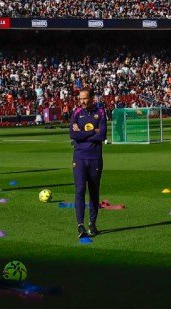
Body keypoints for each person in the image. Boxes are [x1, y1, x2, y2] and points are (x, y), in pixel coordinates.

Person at [69, 85, 106, 239]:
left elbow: (102, 135)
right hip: (79, 157)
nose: (82, 102)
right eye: (80, 99)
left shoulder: (101, 112)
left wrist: (82, 133)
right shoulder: (76, 112)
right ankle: (80, 225)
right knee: (79, 191)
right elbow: (73, 135)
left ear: (92, 98)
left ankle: (92, 223)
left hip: (95, 158)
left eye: (85, 99)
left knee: (93, 192)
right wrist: (92, 131)